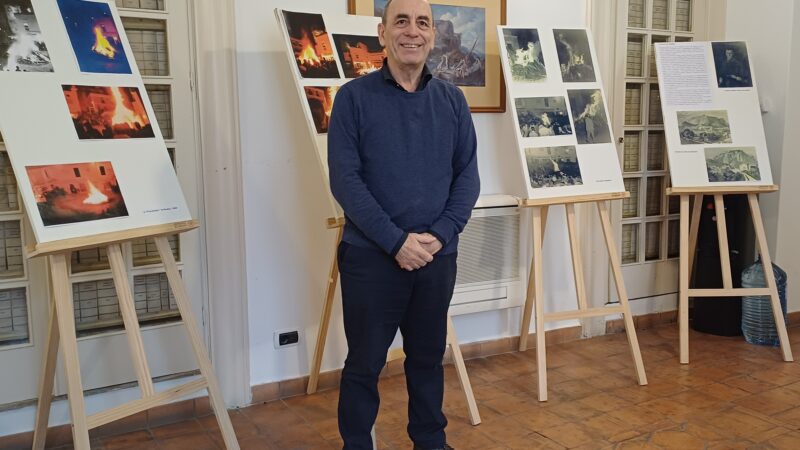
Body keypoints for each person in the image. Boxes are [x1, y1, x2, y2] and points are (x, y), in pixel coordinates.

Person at [327, 0, 480, 449]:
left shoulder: (451, 100)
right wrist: (396, 242)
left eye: (422, 23)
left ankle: (430, 441)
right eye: (401, 22)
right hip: (371, 258)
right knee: (364, 365)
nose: (412, 32)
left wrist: (440, 234)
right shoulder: (353, 99)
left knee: (428, 359)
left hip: (436, 255)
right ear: (382, 33)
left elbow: (467, 175)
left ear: (433, 35)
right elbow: (346, 181)